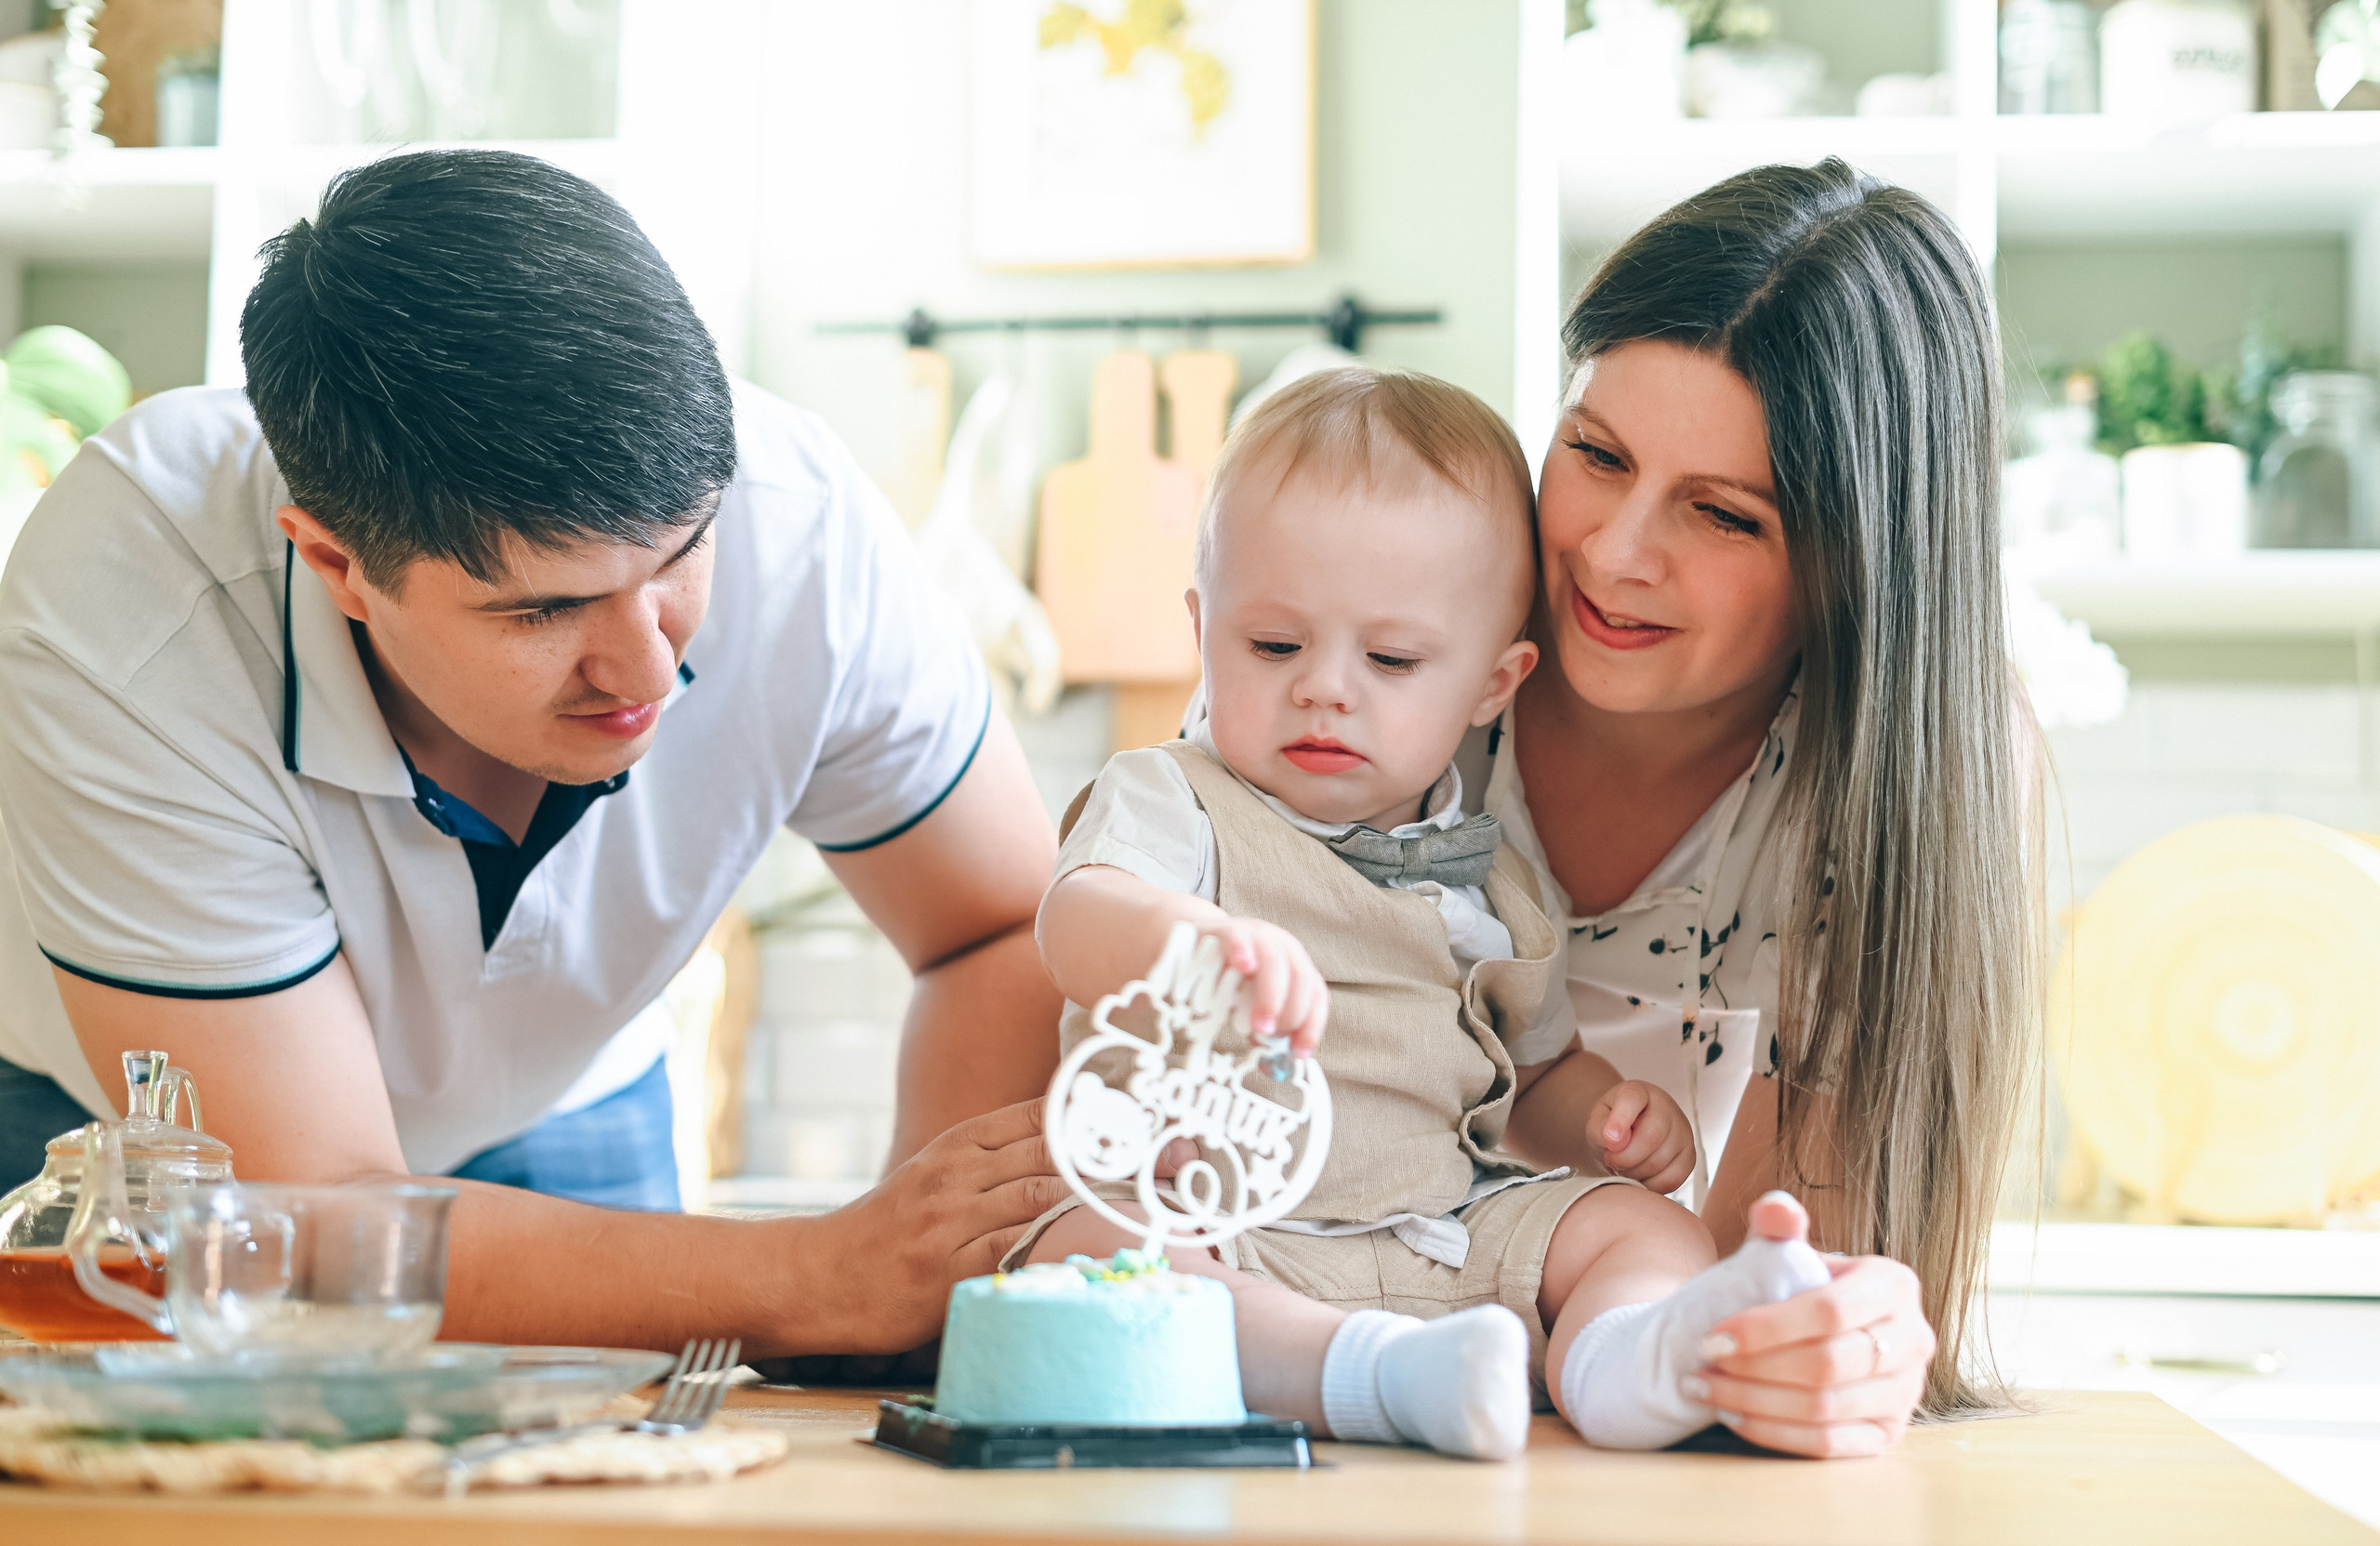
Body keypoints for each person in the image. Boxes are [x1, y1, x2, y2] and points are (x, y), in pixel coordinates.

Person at [0, 150, 1069, 1355]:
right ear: (337, 562)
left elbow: (998, 926)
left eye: (678, 562)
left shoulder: (803, 522)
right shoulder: (131, 608)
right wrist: (821, 1274)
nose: (651, 669)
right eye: (544, 611)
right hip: (137, 1148)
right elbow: (317, 1212)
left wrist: (926, 1295)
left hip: (572, 1091)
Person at [1029, 365, 1851, 1461]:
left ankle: (1618, 1363)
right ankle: (1365, 1376)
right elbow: (1075, 918)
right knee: (1077, 1261)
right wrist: (1188, 944)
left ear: (1492, 686)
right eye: (1272, 646)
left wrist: (1609, 1118)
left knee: (1644, 1227)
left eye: (1391, 659)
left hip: (1443, 1231)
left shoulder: (1492, 876)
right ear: (1201, 627)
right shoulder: (1176, 799)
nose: (1325, 686)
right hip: (1225, 1224)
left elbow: (1536, 1072)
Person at [1455, 158, 2037, 1456]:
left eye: (1721, 514)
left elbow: (1759, 1287)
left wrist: (1831, 1343)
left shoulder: (1886, 779)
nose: (1613, 553)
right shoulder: (1398, 635)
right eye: (1595, 453)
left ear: (1857, 564)